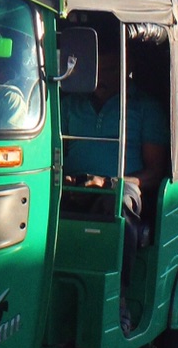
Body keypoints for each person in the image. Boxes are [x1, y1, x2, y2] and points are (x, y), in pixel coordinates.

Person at [62, 28, 170, 331]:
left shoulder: (145, 107)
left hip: (121, 189)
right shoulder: (70, 102)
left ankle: (118, 301)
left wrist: (108, 182)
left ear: (127, 68)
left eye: (111, 69)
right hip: (72, 184)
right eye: (97, 68)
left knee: (119, 204)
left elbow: (154, 172)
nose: (102, 76)